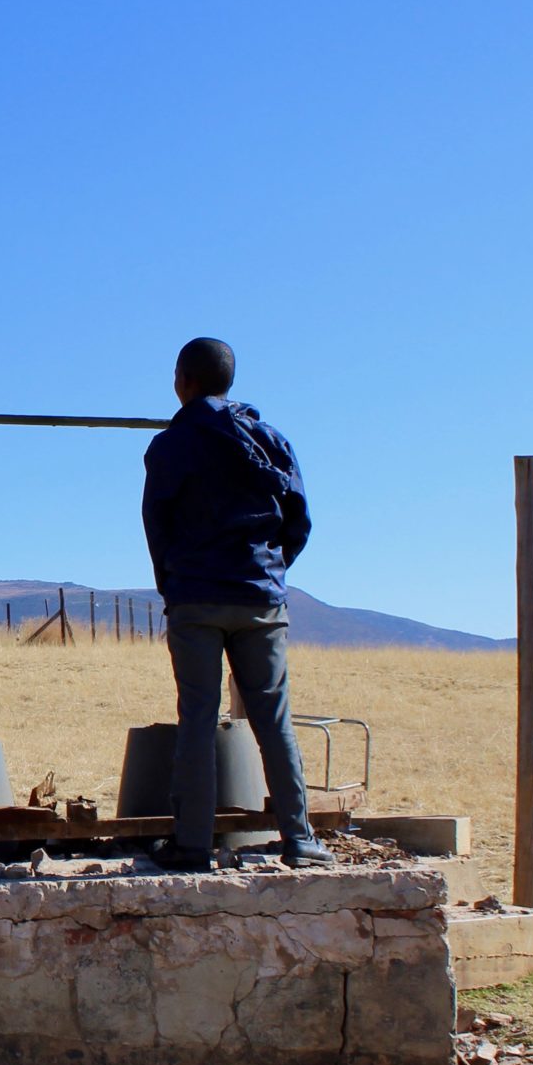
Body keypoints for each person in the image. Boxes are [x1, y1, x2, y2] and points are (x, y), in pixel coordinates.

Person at [140, 337, 330, 871]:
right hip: (259, 597)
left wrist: (173, 586)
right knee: (274, 718)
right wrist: (271, 569)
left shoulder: (170, 445)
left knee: (196, 719)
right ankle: (299, 838)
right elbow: (300, 517)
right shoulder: (271, 439)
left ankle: (193, 845)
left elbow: (157, 523)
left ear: (185, 382)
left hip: (196, 598)